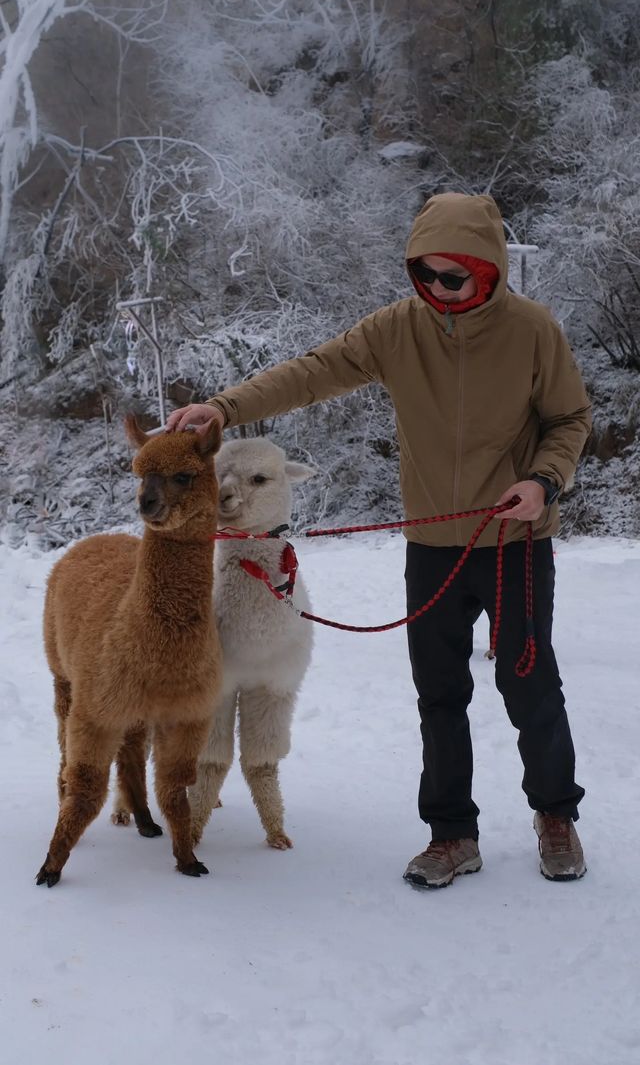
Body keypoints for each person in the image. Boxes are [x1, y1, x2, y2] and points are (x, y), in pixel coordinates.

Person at [167, 192, 592, 889]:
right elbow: (312, 371)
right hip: (433, 548)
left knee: (529, 683)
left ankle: (556, 816)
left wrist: (545, 481)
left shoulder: (532, 331)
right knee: (438, 692)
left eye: (451, 277)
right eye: (422, 275)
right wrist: (224, 407)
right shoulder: (399, 329)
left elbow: (570, 419)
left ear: (488, 269)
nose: (435, 289)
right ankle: (451, 833)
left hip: (514, 538)